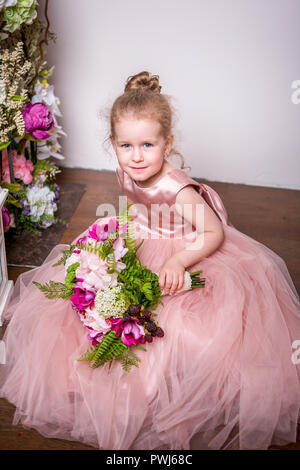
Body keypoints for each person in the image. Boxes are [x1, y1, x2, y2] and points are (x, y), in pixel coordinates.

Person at [1, 71, 300, 451]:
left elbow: (213, 233)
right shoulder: (126, 168)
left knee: (177, 328)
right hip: (141, 235)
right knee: (86, 299)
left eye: (147, 145)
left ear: (167, 143)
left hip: (186, 247)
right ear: (113, 144)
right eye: (126, 146)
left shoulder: (177, 189)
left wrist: (178, 262)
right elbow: (136, 204)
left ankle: (167, 390)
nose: (136, 156)